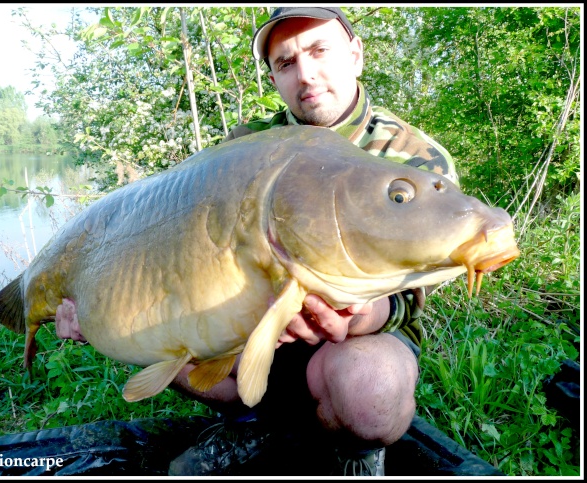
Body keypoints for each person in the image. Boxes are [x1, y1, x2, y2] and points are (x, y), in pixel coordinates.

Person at [57, 7, 459, 477]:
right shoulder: (249, 144)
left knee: (368, 390)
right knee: (164, 332)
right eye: (286, 63)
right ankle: (254, 425)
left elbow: (422, 282)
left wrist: (363, 314)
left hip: (356, 341)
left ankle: (355, 450)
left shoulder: (410, 157)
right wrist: (103, 309)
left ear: (355, 54)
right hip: (254, 334)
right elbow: (189, 252)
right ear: (273, 76)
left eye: (318, 50)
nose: (305, 75)